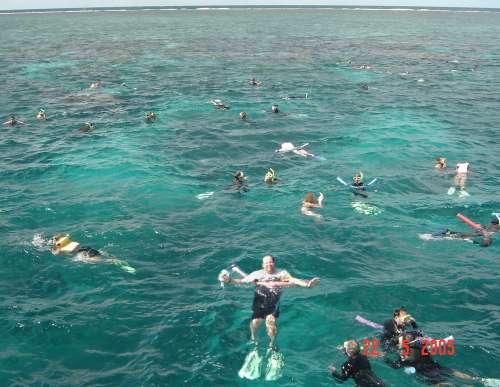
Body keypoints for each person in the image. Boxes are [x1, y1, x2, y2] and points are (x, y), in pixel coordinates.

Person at [220, 255, 320, 348]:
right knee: (255, 322)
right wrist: (229, 280)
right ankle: (254, 338)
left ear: (274, 263)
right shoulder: (257, 274)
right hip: (260, 298)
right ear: (263, 265)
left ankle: (272, 343)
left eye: (271, 262)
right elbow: (241, 281)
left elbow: (293, 280)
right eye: (266, 263)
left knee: (270, 322)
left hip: (274, 300)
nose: (269, 264)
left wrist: (307, 285)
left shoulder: (281, 273)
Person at [385, 331, 473, 385]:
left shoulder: (404, 354)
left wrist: (385, 359)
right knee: (453, 372)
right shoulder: (421, 345)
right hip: (436, 366)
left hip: (426, 372)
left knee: (442, 384)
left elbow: (397, 365)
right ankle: (478, 380)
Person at [49, 234, 136, 272]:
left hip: (86, 253)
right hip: (88, 249)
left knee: (105, 261)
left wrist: (52, 250)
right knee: (104, 257)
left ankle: (119, 263)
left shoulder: (60, 248)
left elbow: (56, 253)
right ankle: (122, 264)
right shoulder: (67, 242)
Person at [432, 215, 500, 247]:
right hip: (468, 237)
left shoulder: (488, 227)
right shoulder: (490, 232)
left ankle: (447, 232)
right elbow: (484, 245)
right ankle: (446, 233)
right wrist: (486, 235)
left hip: (468, 235)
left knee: (462, 235)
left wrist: (482, 228)